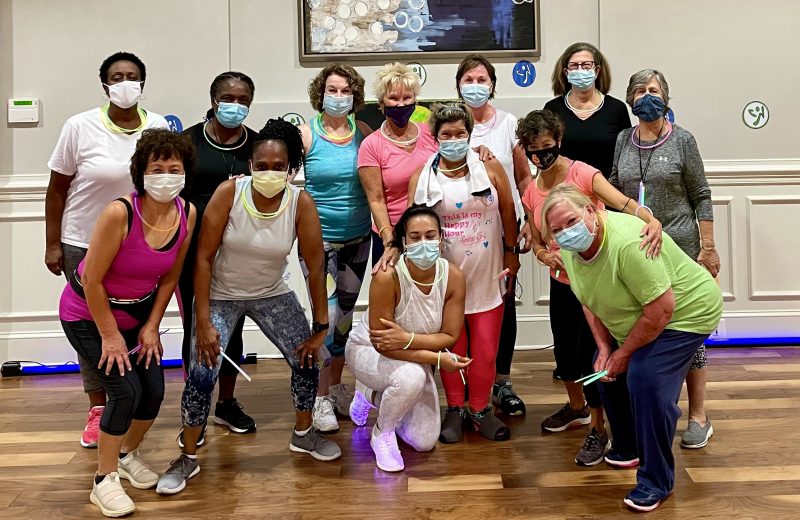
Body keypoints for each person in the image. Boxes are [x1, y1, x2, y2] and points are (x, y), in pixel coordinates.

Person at [156, 118, 340, 496]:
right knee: (202, 373)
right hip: (221, 294)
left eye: (279, 166)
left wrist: (320, 325)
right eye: (262, 165)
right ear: (250, 166)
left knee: (308, 359)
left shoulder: (300, 202)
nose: (270, 172)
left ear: (290, 169)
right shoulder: (230, 192)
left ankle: (304, 433)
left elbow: (315, 264)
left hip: (270, 292)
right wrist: (203, 321)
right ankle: (187, 456)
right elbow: (203, 258)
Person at [540, 184, 722, 512]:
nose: (566, 232)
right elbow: (588, 299)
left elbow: (661, 309)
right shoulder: (569, 250)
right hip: (642, 313)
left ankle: (656, 481)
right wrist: (604, 349)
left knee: (645, 379)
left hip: (686, 313)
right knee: (603, 370)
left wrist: (623, 354)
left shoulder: (627, 244)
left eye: (571, 221)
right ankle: (628, 447)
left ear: (591, 211)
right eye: (557, 230)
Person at [59, 129, 196, 517]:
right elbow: (91, 280)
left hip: (138, 313)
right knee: (124, 391)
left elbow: (170, 276)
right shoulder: (119, 213)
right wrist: (110, 336)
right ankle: (103, 480)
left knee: (152, 392)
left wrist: (152, 326)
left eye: (174, 169)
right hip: (88, 314)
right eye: (157, 169)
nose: (166, 176)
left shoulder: (187, 212)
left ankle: (125, 455)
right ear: (140, 173)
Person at [517, 109, 662, 466]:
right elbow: (538, 241)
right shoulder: (531, 192)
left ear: (558, 141)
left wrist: (650, 220)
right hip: (564, 283)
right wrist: (544, 255)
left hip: (599, 281)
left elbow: (623, 203)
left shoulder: (583, 173)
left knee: (595, 354)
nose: (541, 156)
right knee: (567, 352)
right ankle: (579, 409)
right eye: (533, 151)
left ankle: (600, 426)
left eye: (547, 147)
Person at [45, 51, 169, 449]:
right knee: (94, 325)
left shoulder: (158, 126)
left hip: (139, 243)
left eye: (132, 76)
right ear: (105, 85)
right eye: (117, 77)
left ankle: (128, 397)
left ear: (143, 84)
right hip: (83, 242)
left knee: (131, 320)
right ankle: (99, 406)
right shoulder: (79, 126)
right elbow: (57, 189)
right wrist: (52, 243)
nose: (125, 83)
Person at [610, 69, 719, 450]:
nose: (647, 97)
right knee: (647, 326)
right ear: (630, 99)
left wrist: (708, 247)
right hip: (637, 250)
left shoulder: (683, 140)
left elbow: (701, 194)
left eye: (654, 90)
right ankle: (655, 409)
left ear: (666, 98)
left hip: (680, 248)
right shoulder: (623, 140)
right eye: (639, 91)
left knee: (687, 330)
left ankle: (698, 415)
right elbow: (615, 187)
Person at [409, 103, 519, 442]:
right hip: (444, 282)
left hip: (488, 275)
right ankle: (455, 408)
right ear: (435, 137)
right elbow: (412, 226)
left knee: (485, 352)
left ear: (470, 134)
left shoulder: (490, 167)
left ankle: (480, 410)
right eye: (447, 134)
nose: (454, 139)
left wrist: (512, 253)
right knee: (452, 351)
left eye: (460, 133)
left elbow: (507, 209)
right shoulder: (422, 177)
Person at [346, 205, 469, 472]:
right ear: (403, 241)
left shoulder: (454, 277)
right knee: (410, 378)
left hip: (410, 356)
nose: (424, 243)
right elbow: (384, 344)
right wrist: (437, 359)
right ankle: (382, 433)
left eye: (430, 235)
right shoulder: (387, 276)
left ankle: (372, 396)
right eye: (415, 237)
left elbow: (449, 336)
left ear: (441, 238)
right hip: (368, 350)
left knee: (424, 441)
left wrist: (407, 338)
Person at [177, 71, 259, 440]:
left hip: (239, 254)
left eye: (243, 100)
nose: (235, 105)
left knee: (233, 329)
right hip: (193, 254)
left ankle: (226, 403)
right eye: (229, 98)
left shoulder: (257, 145)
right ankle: (193, 410)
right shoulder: (187, 142)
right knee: (198, 330)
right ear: (213, 100)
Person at [455, 54, 532, 417]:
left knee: (503, 305)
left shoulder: (508, 124)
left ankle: (501, 382)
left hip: (502, 229)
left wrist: (530, 218)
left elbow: (523, 177)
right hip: (458, 231)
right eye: (468, 79)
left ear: (492, 85)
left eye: (481, 79)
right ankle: (466, 384)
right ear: (458, 85)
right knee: (460, 308)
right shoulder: (450, 123)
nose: (475, 85)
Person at [299, 64, 374, 433]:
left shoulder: (364, 133)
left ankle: (337, 385)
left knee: (344, 318)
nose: (339, 97)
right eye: (333, 90)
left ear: (355, 95)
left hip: (358, 239)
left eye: (346, 91)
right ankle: (319, 397)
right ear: (321, 92)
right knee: (325, 319)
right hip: (319, 243)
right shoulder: (305, 135)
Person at [358, 62, 439, 269]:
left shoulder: (431, 133)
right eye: (393, 98)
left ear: (415, 100)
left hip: (431, 235)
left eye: (407, 98)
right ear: (381, 103)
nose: (401, 104)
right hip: (392, 235)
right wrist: (390, 241)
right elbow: (376, 200)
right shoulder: (371, 145)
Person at [544, 42, 631, 179]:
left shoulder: (616, 108)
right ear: (566, 72)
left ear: (597, 70)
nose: (580, 70)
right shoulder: (552, 109)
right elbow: (546, 154)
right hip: (564, 188)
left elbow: (626, 157)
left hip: (607, 188)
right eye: (574, 66)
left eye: (586, 65)